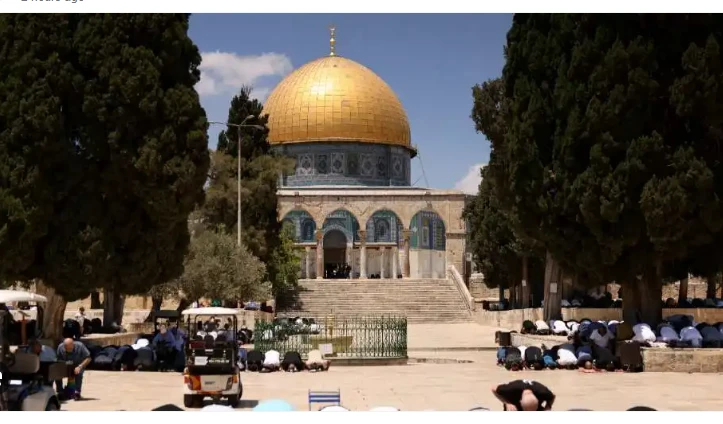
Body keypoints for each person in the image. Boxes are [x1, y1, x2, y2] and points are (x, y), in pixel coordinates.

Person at [491, 380, 555, 411]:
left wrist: (548, 407)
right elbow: (493, 388)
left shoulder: (542, 391)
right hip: (513, 405)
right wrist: (507, 403)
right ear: (520, 401)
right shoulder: (511, 389)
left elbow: (552, 397)